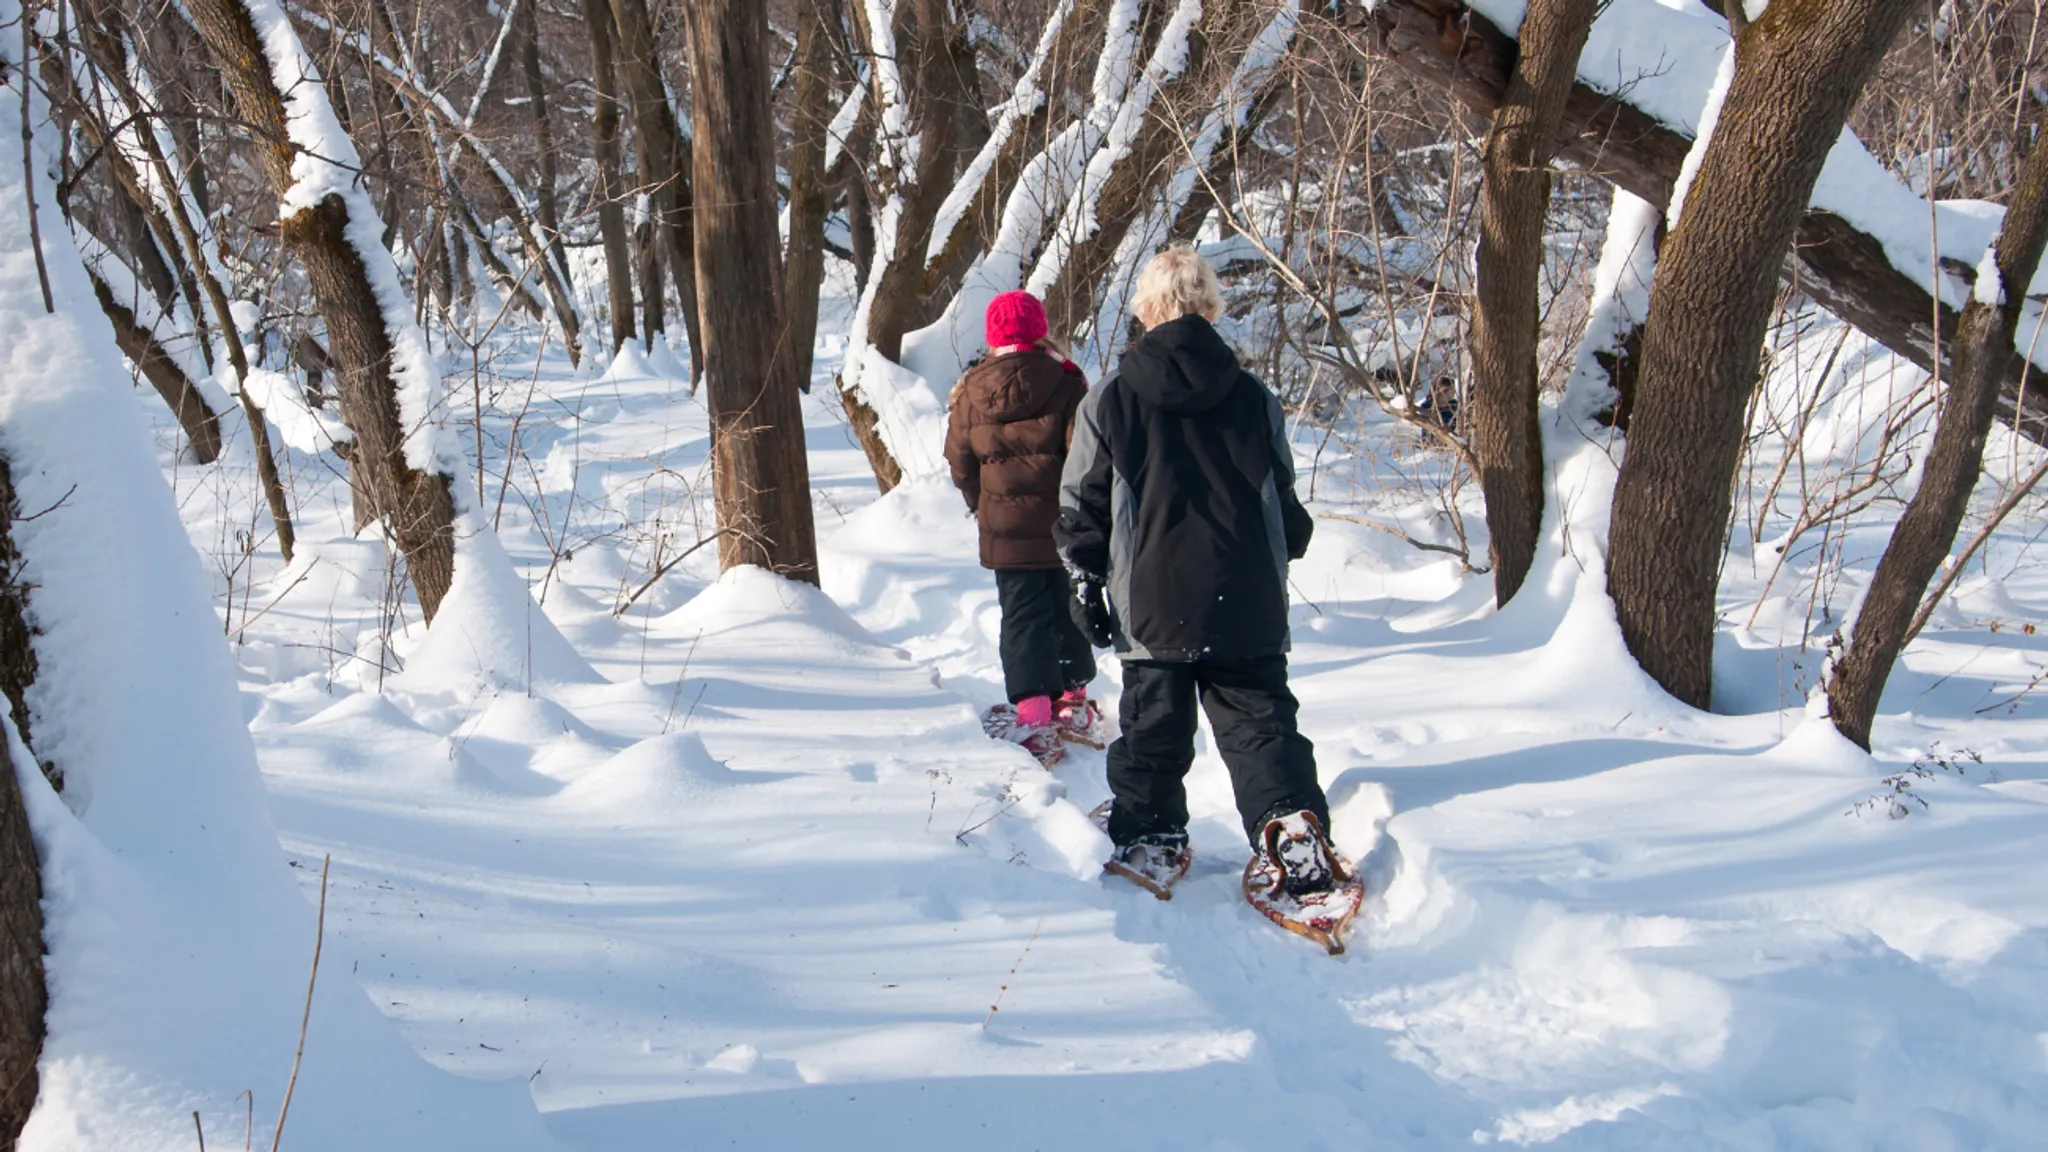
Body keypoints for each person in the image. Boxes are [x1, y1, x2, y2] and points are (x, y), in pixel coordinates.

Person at [1055, 248, 1335, 895]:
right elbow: (1282, 498)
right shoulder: (1253, 396)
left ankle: (1151, 832)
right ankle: (1289, 821)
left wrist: (1085, 581)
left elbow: (1081, 505)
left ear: (1146, 308)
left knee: (1153, 728)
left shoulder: (1111, 398)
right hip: (1247, 593)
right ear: (1210, 304)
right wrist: (1286, 545)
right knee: (1260, 724)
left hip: (1152, 595)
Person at [945, 290, 1100, 764]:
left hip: (1006, 530)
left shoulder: (972, 390)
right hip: (1062, 525)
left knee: (1022, 616)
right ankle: (1073, 702)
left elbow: (959, 461)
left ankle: (1034, 718)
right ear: (1040, 330)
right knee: (1068, 606)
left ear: (993, 336)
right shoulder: (1068, 382)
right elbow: (1085, 456)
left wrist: (982, 503)